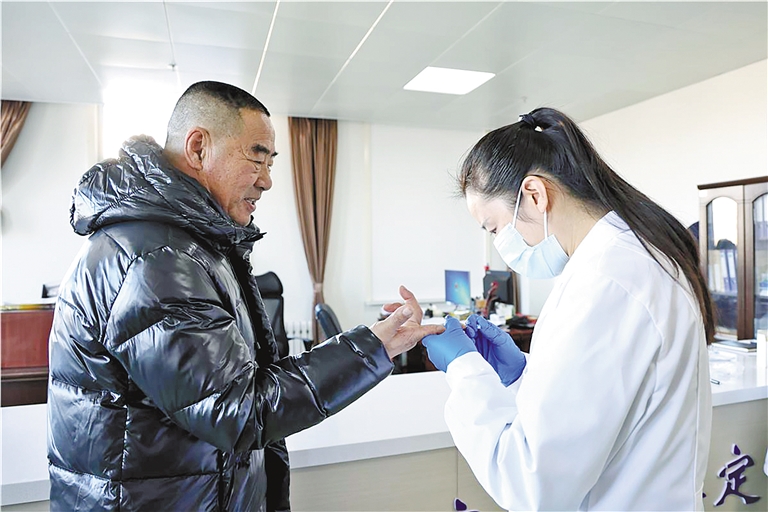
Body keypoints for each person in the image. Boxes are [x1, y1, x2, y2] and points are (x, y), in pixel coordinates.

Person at [47, 81, 443, 511]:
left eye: (271, 162)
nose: (267, 181)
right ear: (198, 148)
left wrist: (374, 343)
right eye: (257, 156)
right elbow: (235, 409)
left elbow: (237, 383)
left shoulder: (189, 245)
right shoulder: (156, 259)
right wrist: (369, 348)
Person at [422, 108, 715, 510]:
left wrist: (465, 370)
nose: (501, 246)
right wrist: (523, 375)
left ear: (535, 195)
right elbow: (606, 403)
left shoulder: (606, 282)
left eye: (494, 228)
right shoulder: (628, 256)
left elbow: (533, 483)